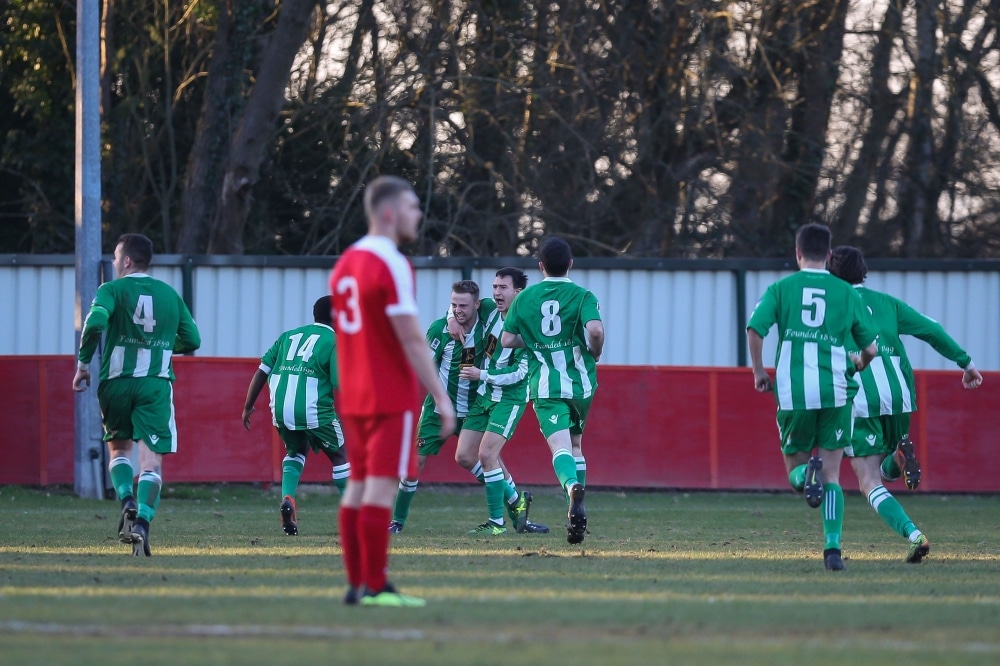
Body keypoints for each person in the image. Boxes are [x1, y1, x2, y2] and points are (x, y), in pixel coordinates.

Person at [329, 175, 456, 608]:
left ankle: (356, 583)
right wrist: (440, 396)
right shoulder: (392, 262)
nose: (418, 214)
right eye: (412, 206)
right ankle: (377, 586)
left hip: (354, 392)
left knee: (357, 488)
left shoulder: (346, 261)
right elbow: (411, 337)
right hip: (388, 393)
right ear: (388, 212)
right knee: (381, 488)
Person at [828, 245, 983, 563]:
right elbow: (931, 329)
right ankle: (899, 455)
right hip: (900, 396)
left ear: (832, 275)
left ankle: (915, 535)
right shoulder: (888, 304)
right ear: (864, 273)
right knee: (888, 471)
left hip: (861, 400)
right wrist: (965, 363)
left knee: (867, 480)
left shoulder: (833, 305)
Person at [746, 223, 878, 571]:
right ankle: (833, 551)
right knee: (833, 476)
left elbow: (755, 327)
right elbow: (872, 348)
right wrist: (859, 363)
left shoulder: (780, 288)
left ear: (797, 252)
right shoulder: (847, 293)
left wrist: (759, 371)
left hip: (795, 392)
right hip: (836, 391)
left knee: (796, 471)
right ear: (830, 255)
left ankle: (806, 476)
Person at [72, 233, 201, 556]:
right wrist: (159, 346)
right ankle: (143, 521)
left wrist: (83, 364)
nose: (115, 263)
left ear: (127, 261)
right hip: (154, 384)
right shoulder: (169, 294)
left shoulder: (111, 290)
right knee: (150, 461)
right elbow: (193, 339)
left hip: (115, 382)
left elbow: (95, 322)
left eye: (116, 258)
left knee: (118, 451)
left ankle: (126, 499)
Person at [390, 280, 542, 535]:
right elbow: (423, 365)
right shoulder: (440, 329)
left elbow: (510, 312)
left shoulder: (488, 321)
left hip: (474, 406)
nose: (458, 310)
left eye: (463, 305)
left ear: (477, 305)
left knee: (485, 457)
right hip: (439, 411)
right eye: (453, 305)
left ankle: (507, 515)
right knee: (415, 465)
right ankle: (397, 521)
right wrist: (449, 318)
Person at [501, 237, 605, 545]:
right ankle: (576, 518)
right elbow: (596, 331)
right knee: (576, 444)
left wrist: (533, 342)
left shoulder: (525, 298)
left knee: (560, 448)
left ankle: (572, 487)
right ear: (571, 264)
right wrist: (595, 351)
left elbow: (507, 341)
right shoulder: (583, 295)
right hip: (581, 384)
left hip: (546, 384)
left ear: (541, 266)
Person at [241, 295, 350, 536]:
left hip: (280, 408)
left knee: (296, 451)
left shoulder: (287, 336)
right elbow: (340, 382)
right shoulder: (334, 340)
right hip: (313, 409)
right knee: (340, 455)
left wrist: (248, 405)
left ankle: (288, 497)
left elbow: (262, 371)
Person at [454, 267, 549, 535]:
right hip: (485, 395)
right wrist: (452, 317)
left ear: (517, 293)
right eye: (494, 287)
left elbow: (520, 373)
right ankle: (516, 500)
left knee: (486, 454)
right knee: (464, 455)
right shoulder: (490, 310)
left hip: (510, 398)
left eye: (502, 288)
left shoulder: (526, 326)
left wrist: (481, 373)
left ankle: (496, 524)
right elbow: (462, 305)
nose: (496, 292)